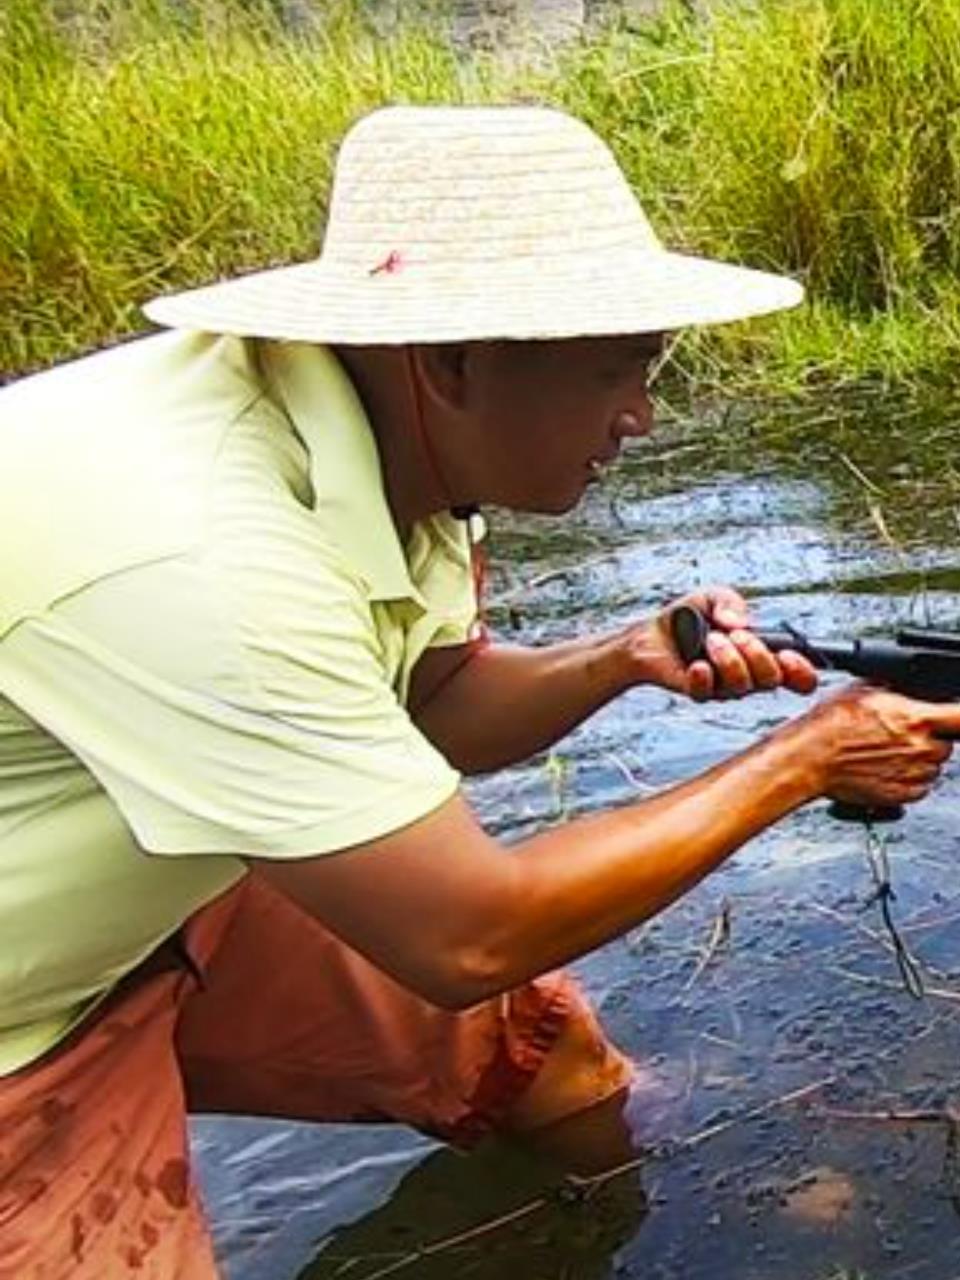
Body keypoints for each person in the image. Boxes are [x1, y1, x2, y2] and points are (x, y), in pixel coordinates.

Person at [1, 104, 957, 1280]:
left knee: (538, 1059)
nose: (641, 416)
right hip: (21, 1024)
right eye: (622, 371)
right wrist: (804, 759)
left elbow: (434, 700)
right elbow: (467, 931)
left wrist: (621, 657)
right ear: (453, 361)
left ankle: (613, 1232)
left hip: (169, 871)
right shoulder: (203, 553)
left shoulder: (384, 436)